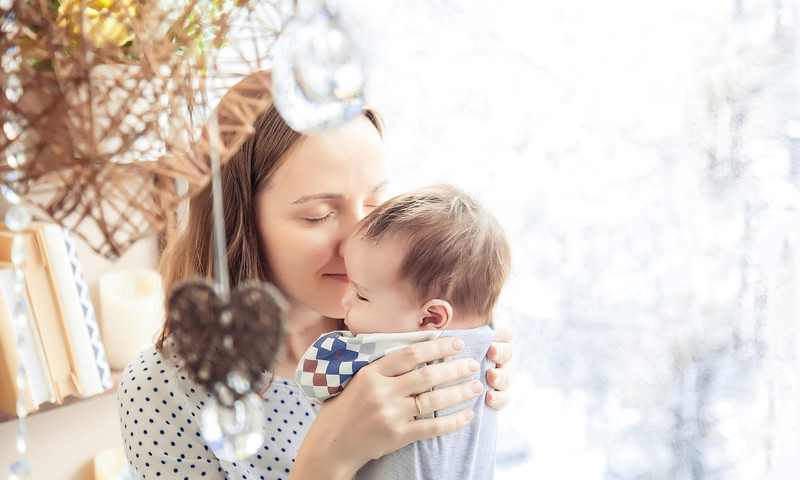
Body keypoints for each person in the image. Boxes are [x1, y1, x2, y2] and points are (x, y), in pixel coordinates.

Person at [117, 71, 513, 480]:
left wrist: (478, 343)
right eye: (318, 215)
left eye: (377, 203)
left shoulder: (404, 325)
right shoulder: (162, 390)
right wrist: (327, 461)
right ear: (241, 223)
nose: (359, 239)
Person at [295, 183, 511, 479]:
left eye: (361, 295)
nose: (346, 301)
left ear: (431, 317)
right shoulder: (491, 343)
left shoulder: (383, 351)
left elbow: (311, 377)